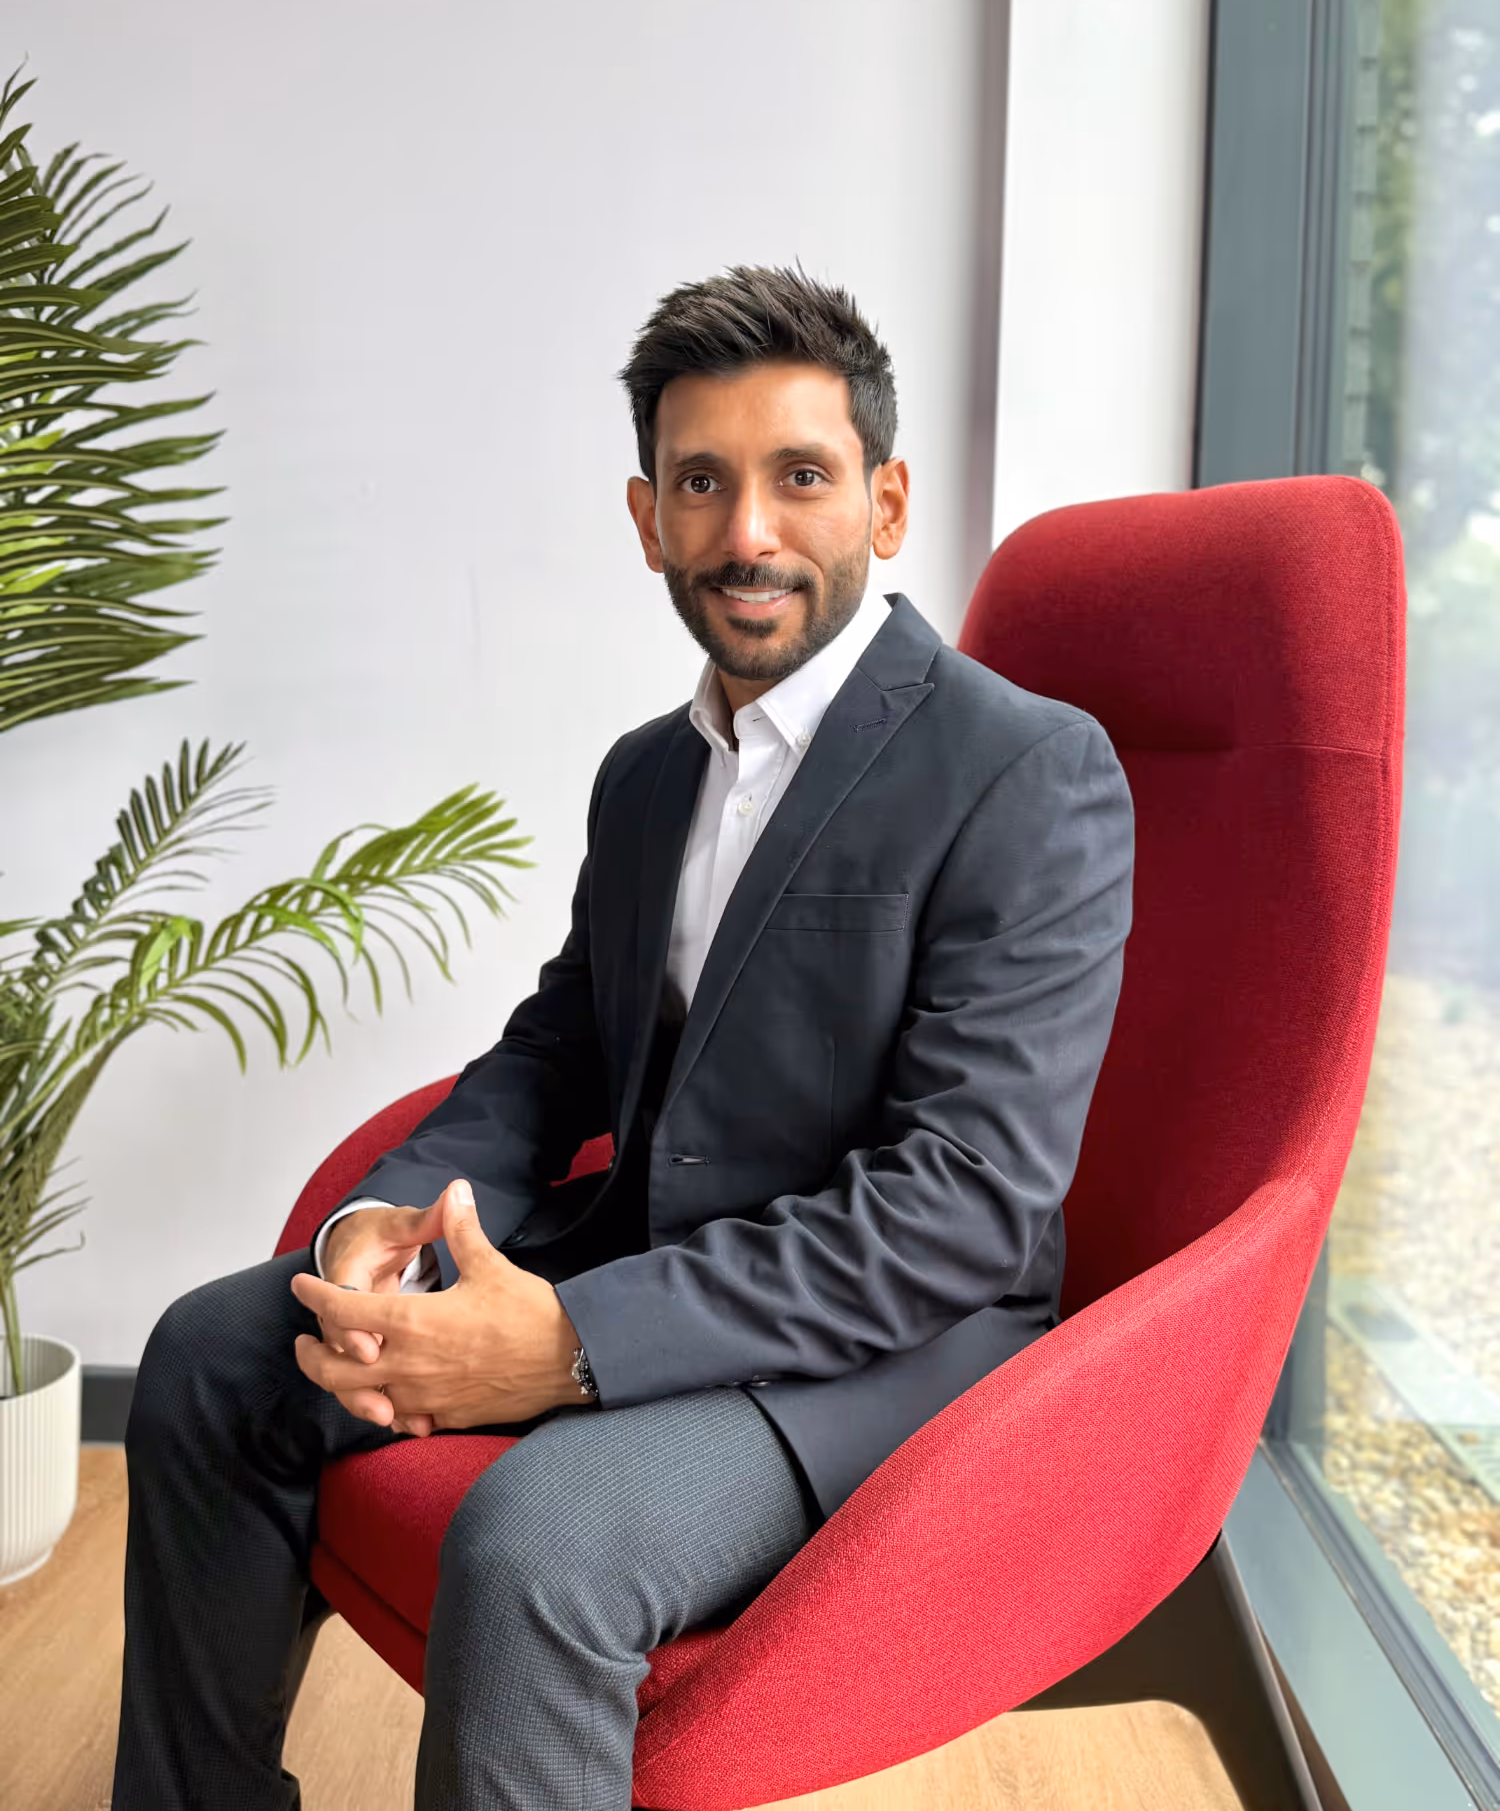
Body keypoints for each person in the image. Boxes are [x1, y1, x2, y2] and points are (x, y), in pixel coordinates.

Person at [112, 264, 1135, 1810]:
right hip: (645, 1262)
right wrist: (386, 1220)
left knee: (535, 1547)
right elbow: (553, 1058)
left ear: (886, 500)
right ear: (648, 518)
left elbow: (962, 1206)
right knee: (210, 1356)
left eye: (801, 477)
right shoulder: (646, 775)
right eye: (702, 484)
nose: (748, 533)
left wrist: (570, 1349)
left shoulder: (1028, 769)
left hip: (885, 1355)